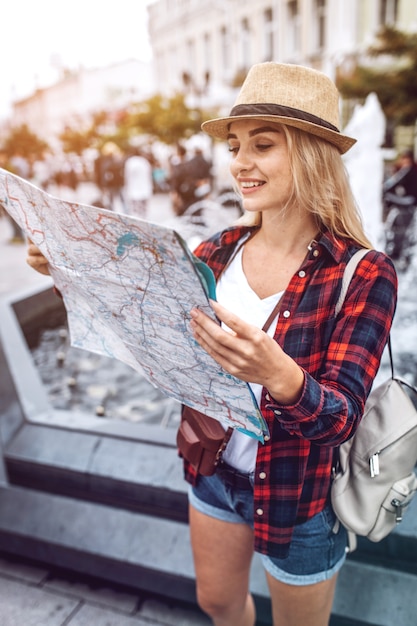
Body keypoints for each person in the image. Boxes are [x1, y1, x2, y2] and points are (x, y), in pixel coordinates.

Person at [26, 62, 398, 626]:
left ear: (312, 153)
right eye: (234, 145)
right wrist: (71, 272)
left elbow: (341, 420)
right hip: (213, 470)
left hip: (301, 496)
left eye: (262, 145)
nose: (239, 163)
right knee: (218, 604)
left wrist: (282, 377)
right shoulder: (215, 250)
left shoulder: (364, 272)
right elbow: (150, 335)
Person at [382, 148, 417, 264]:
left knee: (402, 232)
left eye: (406, 160)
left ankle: (398, 254)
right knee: (396, 229)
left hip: (409, 204)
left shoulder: (411, 171)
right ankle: (395, 252)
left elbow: (392, 185)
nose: (404, 162)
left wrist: (390, 197)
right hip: (404, 204)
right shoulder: (403, 170)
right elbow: (390, 185)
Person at [123, 147, 153, 219]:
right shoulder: (144, 161)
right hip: (146, 188)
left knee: (135, 212)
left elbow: (127, 176)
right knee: (144, 211)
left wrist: (126, 187)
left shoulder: (130, 162)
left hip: (134, 189)